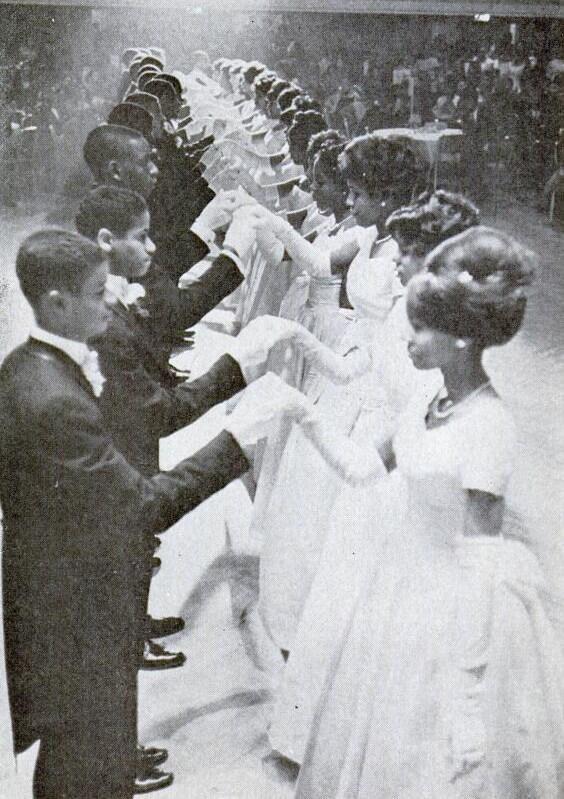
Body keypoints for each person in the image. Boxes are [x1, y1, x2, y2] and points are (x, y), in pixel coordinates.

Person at [0, 229, 306, 799]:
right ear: (55, 304)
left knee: (89, 747)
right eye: (97, 293)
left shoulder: (32, 366)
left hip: (64, 590)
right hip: (75, 607)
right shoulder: (54, 398)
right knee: (87, 761)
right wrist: (236, 438)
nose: (111, 301)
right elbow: (141, 508)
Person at [294, 227, 564, 799]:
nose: (408, 339)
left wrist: (467, 700)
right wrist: (299, 412)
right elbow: (364, 469)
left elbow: (481, 565)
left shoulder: (490, 427)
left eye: (422, 328)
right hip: (398, 584)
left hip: (456, 607)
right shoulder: (427, 396)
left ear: (463, 339)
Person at [264, 190, 480, 771]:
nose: (399, 263)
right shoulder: (409, 323)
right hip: (378, 463)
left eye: (409, 253)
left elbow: (424, 421)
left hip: (404, 478)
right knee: (345, 596)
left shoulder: (443, 348)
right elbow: (360, 368)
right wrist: (299, 347)